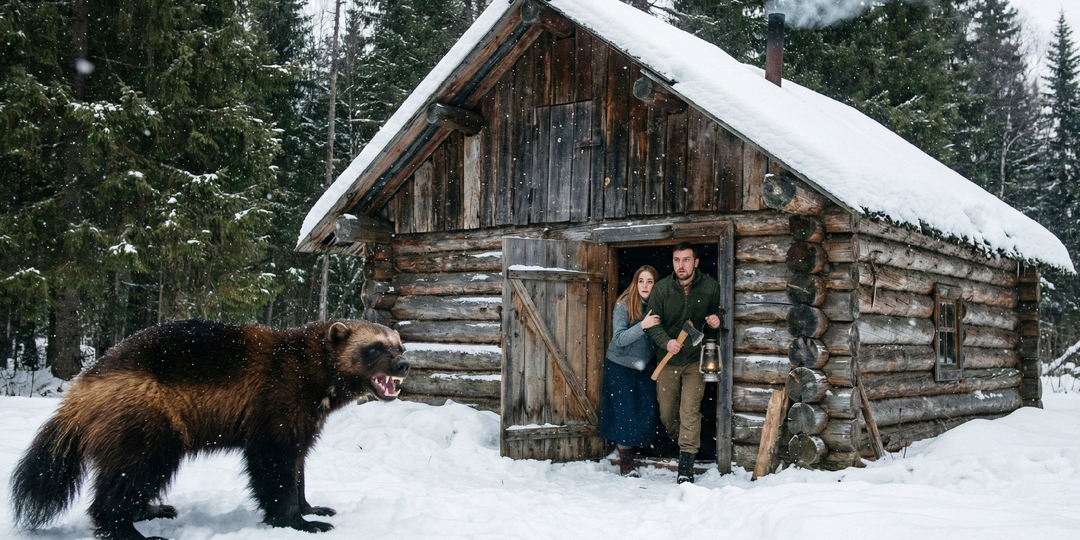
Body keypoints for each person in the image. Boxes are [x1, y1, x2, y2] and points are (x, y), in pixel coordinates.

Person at [644, 243, 721, 484]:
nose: (681, 265)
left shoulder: (710, 287)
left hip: (694, 361)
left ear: (696, 262)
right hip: (667, 361)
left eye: (686, 260)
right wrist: (666, 342)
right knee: (668, 413)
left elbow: (713, 324)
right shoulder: (662, 289)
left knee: (690, 410)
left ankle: (685, 463)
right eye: (677, 260)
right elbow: (653, 323)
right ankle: (679, 441)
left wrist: (715, 322)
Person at [599, 265, 662, 477]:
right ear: (635, 283)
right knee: (624, 411)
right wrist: (642, 325)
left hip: (645, 366)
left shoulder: (658, 305)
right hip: (620, 365)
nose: (645, 285)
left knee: (645, 408)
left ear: (656, 284)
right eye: (641, 281)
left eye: (650, 281)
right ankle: (626, 461)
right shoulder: (624, 306)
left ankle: (641, 448)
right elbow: (618, 339)